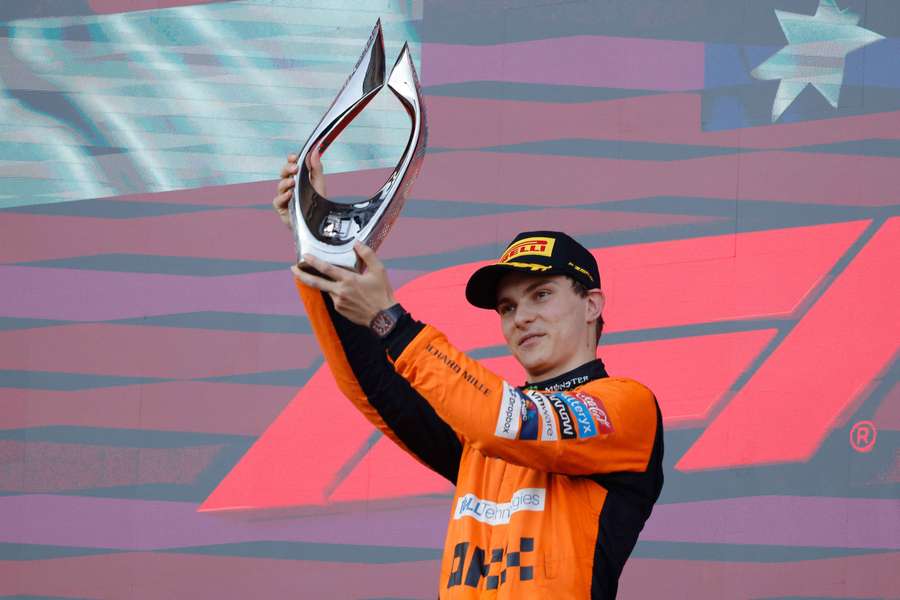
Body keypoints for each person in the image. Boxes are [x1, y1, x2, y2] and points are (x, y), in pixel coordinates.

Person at [273, 151, 664, 599]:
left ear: (592, 305)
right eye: (508, 307)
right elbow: (376, 386)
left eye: (541, 295)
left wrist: (391, 321)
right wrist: (320, 248)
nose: (522, 318)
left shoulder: (626, 407)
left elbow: (507, 424)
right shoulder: (480, 439)